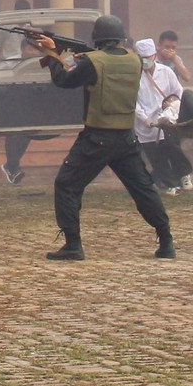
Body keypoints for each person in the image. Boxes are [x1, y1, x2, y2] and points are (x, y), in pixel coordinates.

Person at [34, 15, 175, 262]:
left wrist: (55, 53)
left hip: (96, 138)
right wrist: (66, 54)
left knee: (67, 185)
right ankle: (166, 240)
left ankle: (73, 244)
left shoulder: (92, 61)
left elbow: (65, 78)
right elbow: (95, 67)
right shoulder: (135, 62)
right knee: (143, 190)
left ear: (97, 38)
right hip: (126, 138)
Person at [0, 0, 44, 185]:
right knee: (16, 132)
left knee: (27, 134)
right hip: (13, 104)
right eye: (30, 48)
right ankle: (13, 166)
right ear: (24, 48)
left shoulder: (43, 63)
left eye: (37, 48)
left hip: (34, 105)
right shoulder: (9, 62)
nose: (34, 52)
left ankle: (12, 166)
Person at [133, 37, 185, 189]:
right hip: (147, 125)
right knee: (156, 158)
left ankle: (175, 181)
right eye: (141, 58)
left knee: (172, 151)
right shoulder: (135, 75)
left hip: (167, 122)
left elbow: (178, 92)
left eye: (148, 57)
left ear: (154, 55)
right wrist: (145, 119)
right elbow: (133, 102)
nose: (145, 61)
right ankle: (168, 183)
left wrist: (173, 109)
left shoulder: (166, 72)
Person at [149, 30, 193, 193]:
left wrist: (175, 59)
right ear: (158, 46)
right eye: (166, 47)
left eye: (173, 47)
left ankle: (176, 175)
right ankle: (175, 175)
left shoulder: (175, 61)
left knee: (171, 142)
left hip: (173, 107)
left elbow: (187, 77)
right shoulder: (151, 61)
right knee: (165, 144)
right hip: (154, 108)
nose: (169, 50)